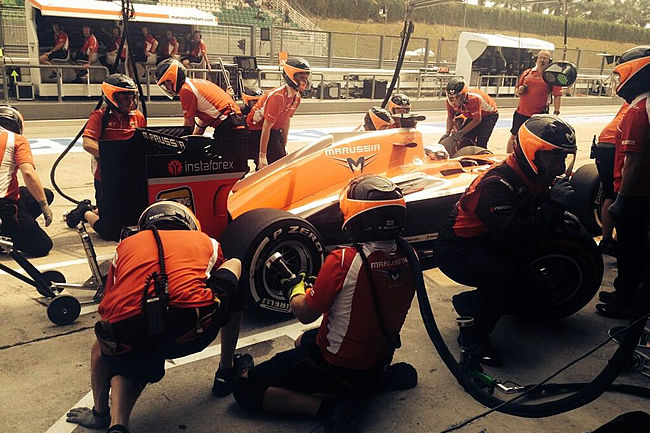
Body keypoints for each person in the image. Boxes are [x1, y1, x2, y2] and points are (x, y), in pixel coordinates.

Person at [233, 175, 417, 433]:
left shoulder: (343, 260)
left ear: (357, 218)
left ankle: (326, 409)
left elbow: (305, 313)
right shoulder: (411, 255)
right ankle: (376, 382)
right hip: (378, 358)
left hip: (337, 365)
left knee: (244, 387)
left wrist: (294, 289)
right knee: (302, 341)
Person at [65, 201, 253, 433]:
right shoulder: (208, 242)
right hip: (192, 329)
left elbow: (108, 306)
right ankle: (226, 370)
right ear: (188, 223)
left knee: (109, 349)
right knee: (236, 266)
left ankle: (108, 418)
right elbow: (217, 281)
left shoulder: (125, 246)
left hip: (132, 335)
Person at [434, 114, 577, 366]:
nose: (559, 165)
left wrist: (558, 213)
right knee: (503, 277)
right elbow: (517, 236)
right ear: (532, 152)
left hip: (490, 241)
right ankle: (474, 336)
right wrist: (554, 208)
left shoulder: (535, 175)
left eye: (563, 157)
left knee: (540, 290)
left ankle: (470, 303)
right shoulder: (497, 183)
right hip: (458, 247)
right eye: (554, 156)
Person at [595, 46, 650, 320]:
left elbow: (634, 162)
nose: (618, 82)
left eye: (620, 75)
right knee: (636, 250)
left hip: (635, 196)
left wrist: (621, 199)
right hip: (643, 194)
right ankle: (625, 292)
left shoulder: (638, 111)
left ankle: (626, 300)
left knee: (629, 251)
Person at [64, 74, 146, 239]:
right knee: (110, 232)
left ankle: (99, 209)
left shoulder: (138, 117)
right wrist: (114, 158)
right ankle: (86, 211)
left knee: (137, 221)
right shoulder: (99, 116)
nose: (129, 102)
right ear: (112, 96)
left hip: (131, 178)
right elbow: (88, 143)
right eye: (124, 97)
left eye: (132, 97)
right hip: (106, 178)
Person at [0, 106, 54, 257]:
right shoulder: (16, 140)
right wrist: (43, 205)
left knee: (45, 193)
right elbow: (28, 173)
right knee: (42, 246)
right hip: (4, 205)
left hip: (6, 197)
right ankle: (7, 235)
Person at [155, 59, 247, 147]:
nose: (166, 88)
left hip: (228, 125)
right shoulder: (195, 83)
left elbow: (188, 126)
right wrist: (194, 140)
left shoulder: (186, 90)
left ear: (172, 78)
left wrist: (180, 145)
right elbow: (203, 122)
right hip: (235, 122)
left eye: (166, 84)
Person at [247, 57, 310, 170]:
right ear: (291, 76)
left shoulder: (297, 97)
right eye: (301, 77)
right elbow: (266, 127)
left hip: (273, 130)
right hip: (257, 129)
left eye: (306, 78)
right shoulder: (278, 96)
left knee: (282, 159)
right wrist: (262, 156)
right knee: (275, 165)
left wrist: (284, 143)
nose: (305, 81)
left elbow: (286, 120)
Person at [592, 102, 630, 258]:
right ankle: (620, 240)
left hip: (603, 143)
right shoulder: (644, 104)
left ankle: (606, 240)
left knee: (609, 195)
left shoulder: (631, 100)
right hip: (620, 144)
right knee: (625, 192)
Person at [506, 50, 563, 153]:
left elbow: (557, 95)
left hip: (539, 115)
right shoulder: (527, 73)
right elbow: (516, 90)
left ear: (549, 61)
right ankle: (508, 158)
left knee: (537, 140)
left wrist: (556, 112)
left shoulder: (552, 77)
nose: (542, 60)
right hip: (521, 112)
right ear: (536, 59)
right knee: (514, 137)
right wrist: (519, 91)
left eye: (545, 58)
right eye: (540, 57)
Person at [444, 77, 499, 150]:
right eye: (451, 98)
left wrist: (462, 132)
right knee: (464, 140)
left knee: (481, 143)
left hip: (489, 115)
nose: (454, 101)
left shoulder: (473, 99)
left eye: (457, 97)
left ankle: (481, 157)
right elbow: (450, 117)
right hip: (472, 116)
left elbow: (477, 120)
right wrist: (448, 132)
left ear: (463, 95)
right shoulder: (449, 102)